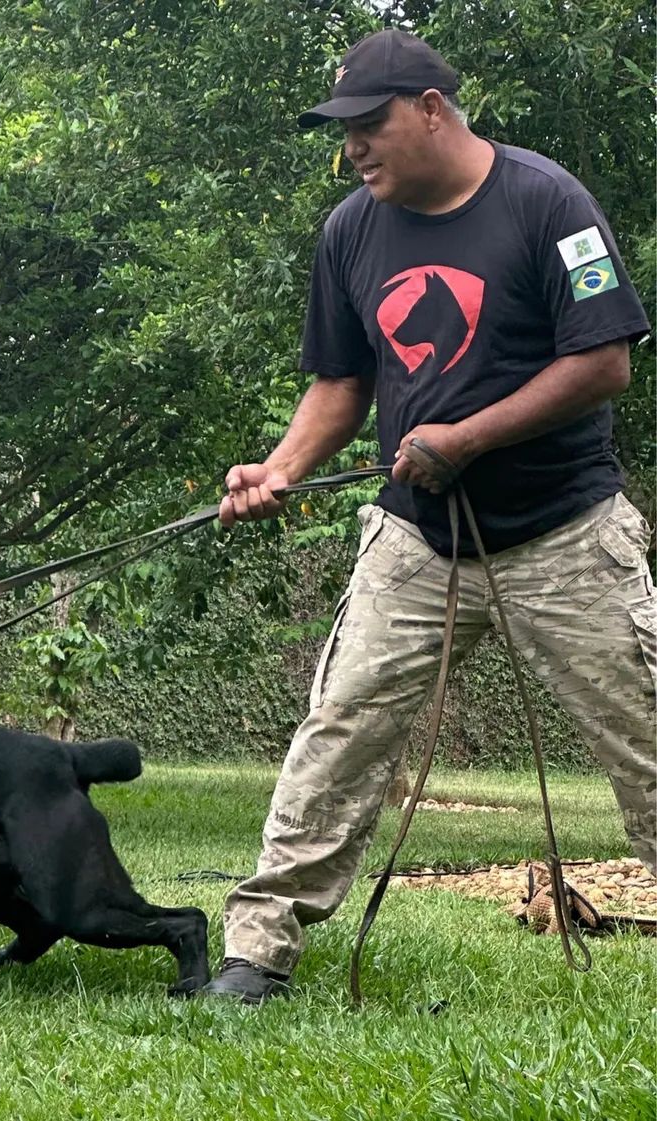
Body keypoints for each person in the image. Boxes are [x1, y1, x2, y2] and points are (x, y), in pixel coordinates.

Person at [204, 27, 655, 1004]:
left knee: (648, 737)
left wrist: (468, 437)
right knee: (339, 731)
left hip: (565, 533)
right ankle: (256, 954)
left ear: (430, 109)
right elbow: (342, 380)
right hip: (415, 539)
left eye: (367, 126)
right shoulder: (350, 232)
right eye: (343, 132)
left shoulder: (548, 202)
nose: (352, 149)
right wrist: (278, 469)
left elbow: (603, 360)